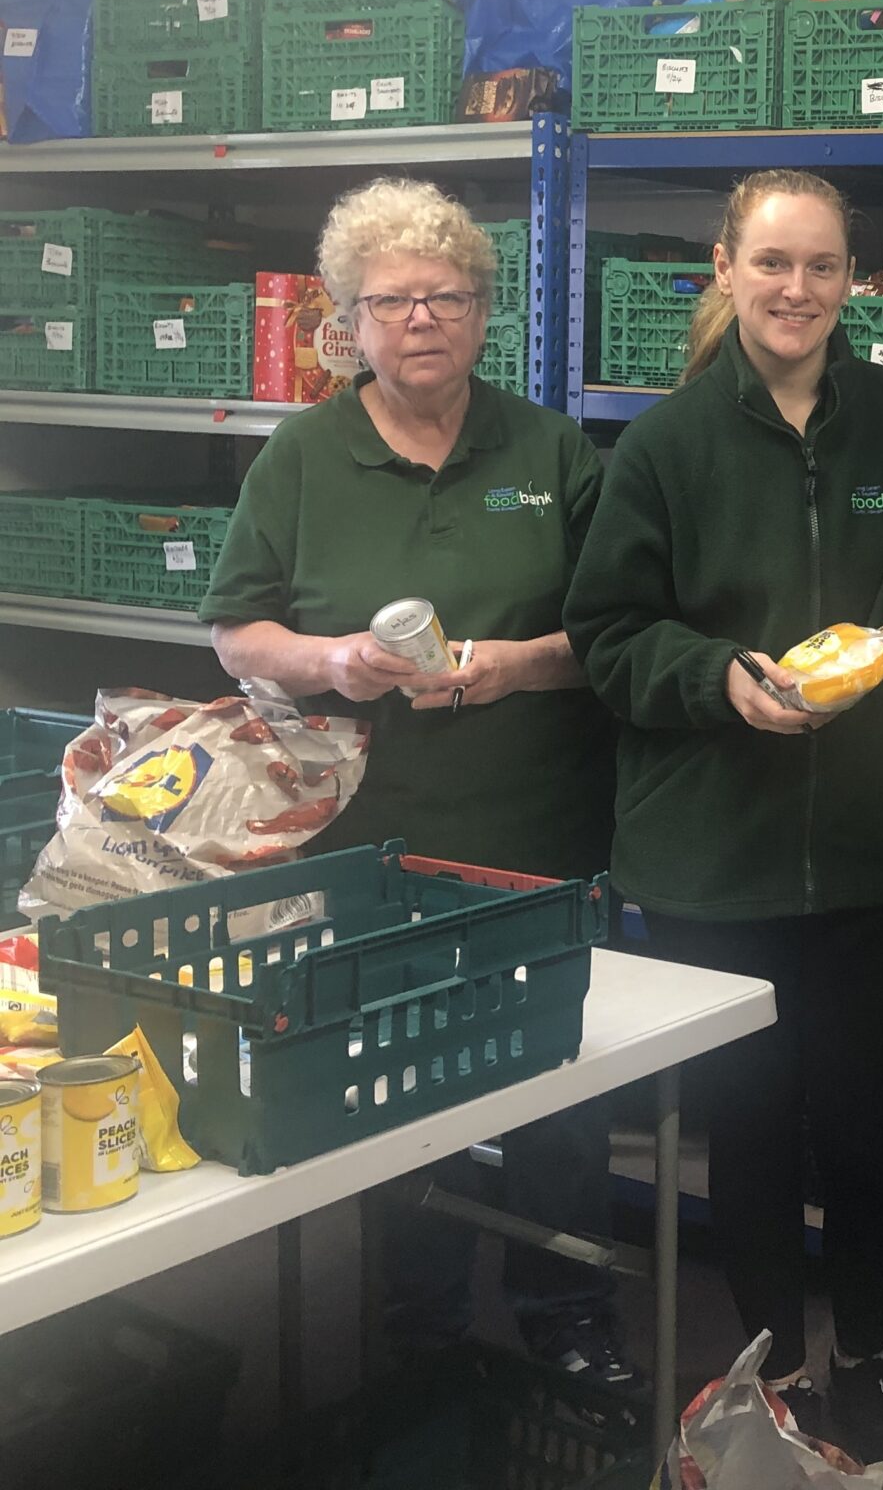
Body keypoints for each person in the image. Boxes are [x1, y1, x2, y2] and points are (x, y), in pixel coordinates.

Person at [564, 167, 883, 1485]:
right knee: (749, 1133)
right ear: (726, 269)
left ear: (851, 283)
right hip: (719, 861)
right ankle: (773, 1377)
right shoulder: (663, 447)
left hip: (879, 855)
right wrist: (716, 682)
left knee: (877, 1131)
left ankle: (865, 1359)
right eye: (772, 264)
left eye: (821, 267)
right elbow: (607, 634)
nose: (796, 290)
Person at [200, 177, 631, 1384]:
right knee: (393, 1084)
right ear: (347, 323)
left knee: (559, 1079)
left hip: (538, 828)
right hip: (371, 845)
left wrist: (520, 663)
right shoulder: (303, 454)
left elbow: (614, 631)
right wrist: (330, 660)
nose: (420, 320)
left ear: (484, 311)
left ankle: (566, 1313)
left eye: (445, 296)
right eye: (389, 302)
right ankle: (420, 1323)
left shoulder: (546, 451)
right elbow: (237, 632)